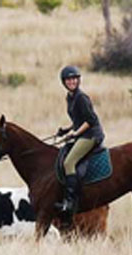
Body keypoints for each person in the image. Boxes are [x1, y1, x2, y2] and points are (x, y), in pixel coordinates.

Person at [55, 65, 105, 218]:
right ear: (64, 82)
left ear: (78, 80)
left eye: (74, 79)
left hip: (91, 135)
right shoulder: (70, 97)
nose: (72, 82)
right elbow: (79, 119)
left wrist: (75, 133)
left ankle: (70, 201)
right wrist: (67, 130)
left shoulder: (81, 97)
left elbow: (89, 120)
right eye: (69, 80)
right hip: (82, 134)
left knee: (69, 163)